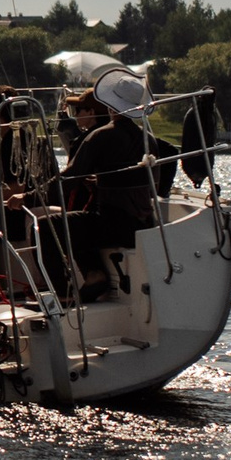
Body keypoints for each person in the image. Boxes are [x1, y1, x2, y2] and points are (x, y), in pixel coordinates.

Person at [52, 79, 156, 297]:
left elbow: (69, 179)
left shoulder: (100, 136)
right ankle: (93, 278)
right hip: (141, 224)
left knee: (49, 225)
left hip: (113, 225)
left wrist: (29, 196)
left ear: (111, 105)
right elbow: (151, 183)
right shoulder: (149, 140)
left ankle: (65, 294)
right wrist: (101, 183)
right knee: (78, 220)